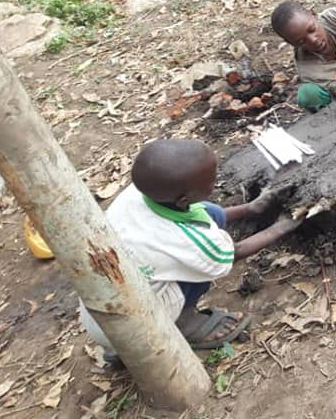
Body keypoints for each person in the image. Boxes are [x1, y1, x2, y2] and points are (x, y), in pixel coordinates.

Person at [79, 139, 299, 353]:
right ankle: (184, 322)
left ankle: (250, 210)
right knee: (198, 267)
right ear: (183, 200)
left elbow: (195, 209)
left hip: (101, 306)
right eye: (211, 182)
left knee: (207, 211)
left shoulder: (138, 193)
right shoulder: (187, 244)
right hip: (133, 326)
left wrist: (251, 208)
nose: (215, 181)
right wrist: (281, 227)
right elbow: (232, 253)